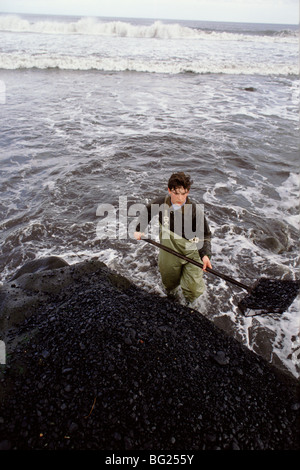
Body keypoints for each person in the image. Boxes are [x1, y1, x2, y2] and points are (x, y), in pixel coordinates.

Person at [134, 172, 212, 304]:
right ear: (169, 190)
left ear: (188, 191)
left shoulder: (195, 211)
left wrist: (205, 255)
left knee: (193, 290)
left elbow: (205, 234)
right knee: (169, 285)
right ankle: (172, 302)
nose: (180, 198)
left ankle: (191, 307)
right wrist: (139, 229)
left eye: (184, 193)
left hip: (192, 251)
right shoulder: (160, 203)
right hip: (169, 249)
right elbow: (147, 211)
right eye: (176, 193)